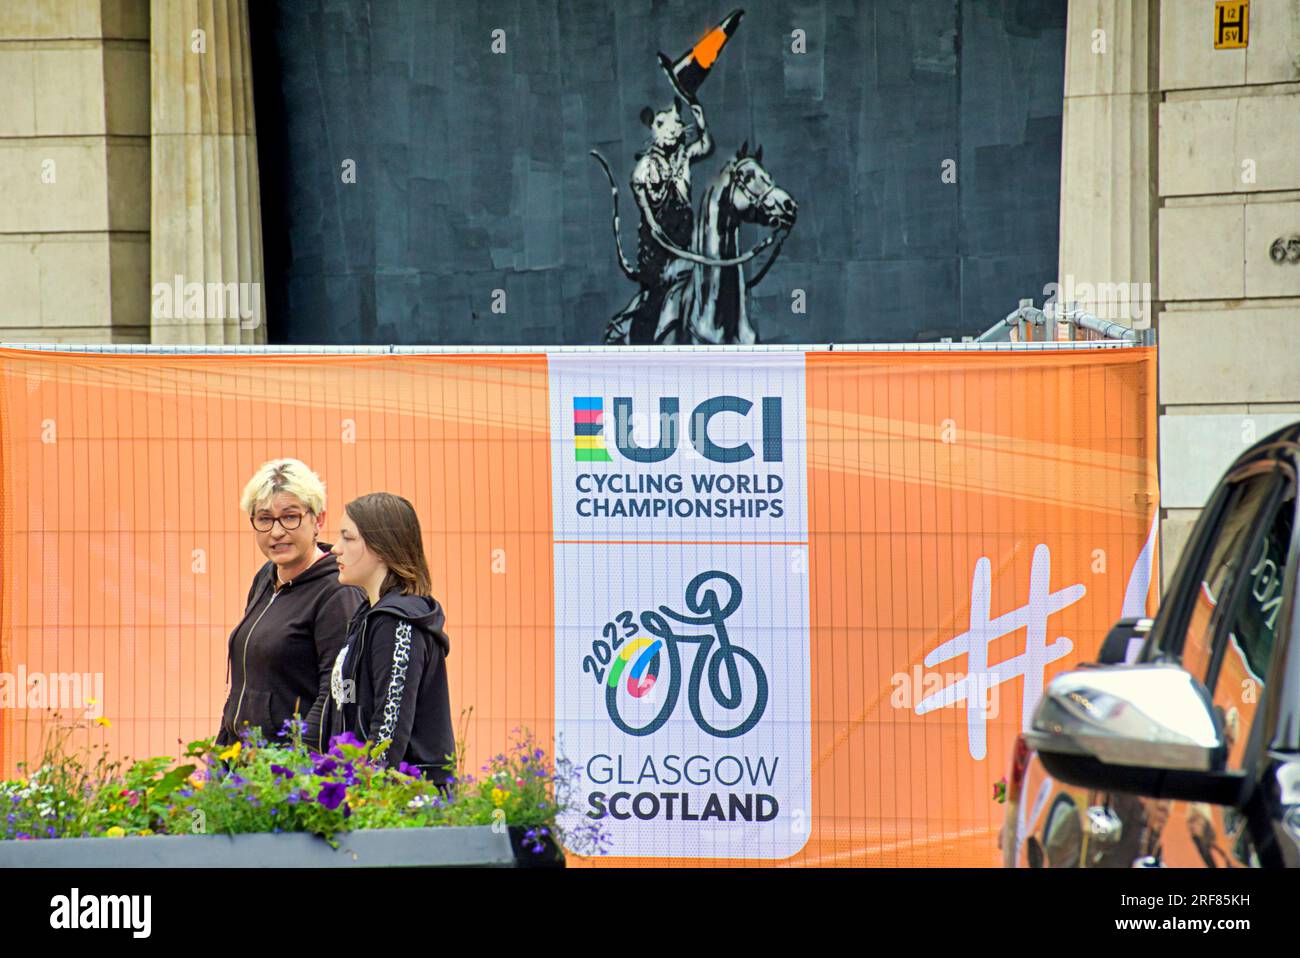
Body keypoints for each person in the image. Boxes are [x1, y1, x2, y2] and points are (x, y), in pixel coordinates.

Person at [217, 459, 366, 752]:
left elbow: (334, 692)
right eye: (264, 519)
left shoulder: (338, 592)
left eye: (290, 517)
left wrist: (299, 766)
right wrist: (222, 748)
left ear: (318, 520)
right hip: (245, 763)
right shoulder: (265, 577)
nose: (276, 532)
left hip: (288, 774)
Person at [322, 492, 454, 784]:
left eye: (348, 538)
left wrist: (363, 795)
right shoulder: (367, 616)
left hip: (402, 808)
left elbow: (388, 729)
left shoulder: (395, 621)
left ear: (381, 548)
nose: (336, 549)